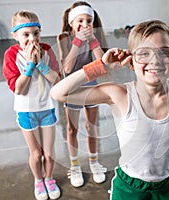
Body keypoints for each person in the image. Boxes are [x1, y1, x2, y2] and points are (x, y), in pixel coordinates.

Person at [50, 19, 169, 199]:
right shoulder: (119, 94)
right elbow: (59, 93)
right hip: (129, 187)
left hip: (167, 184)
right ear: (131, 62)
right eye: (144, 53)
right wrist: (100, 66)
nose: (155, 60)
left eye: (164, 52)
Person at [3, 10, 61, 200]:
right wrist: (29, 64)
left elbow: (56, 79)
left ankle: (49, 178)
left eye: (36, 33)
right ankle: (38, 180)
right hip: (26, 111)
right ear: (15, 36)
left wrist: (40, 64)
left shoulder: (46, 50)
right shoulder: (11, 54)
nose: (32, 38)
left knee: (49, 154)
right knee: (36, 154)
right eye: (25, 35)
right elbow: (18, 89)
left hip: (47, 108)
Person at [56, 1, 108, 187]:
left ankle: (94, 162)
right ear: (71, 22)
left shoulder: (94, 38)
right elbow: (68, 68)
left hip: (91, 87)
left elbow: (102, 65)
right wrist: (78, 41)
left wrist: (93, 42)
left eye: (88, 20)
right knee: (72, 129)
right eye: (80, 20)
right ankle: (75, 165)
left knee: (92, 126)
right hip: (72, 89)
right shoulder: (63, 37)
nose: (85, 25)